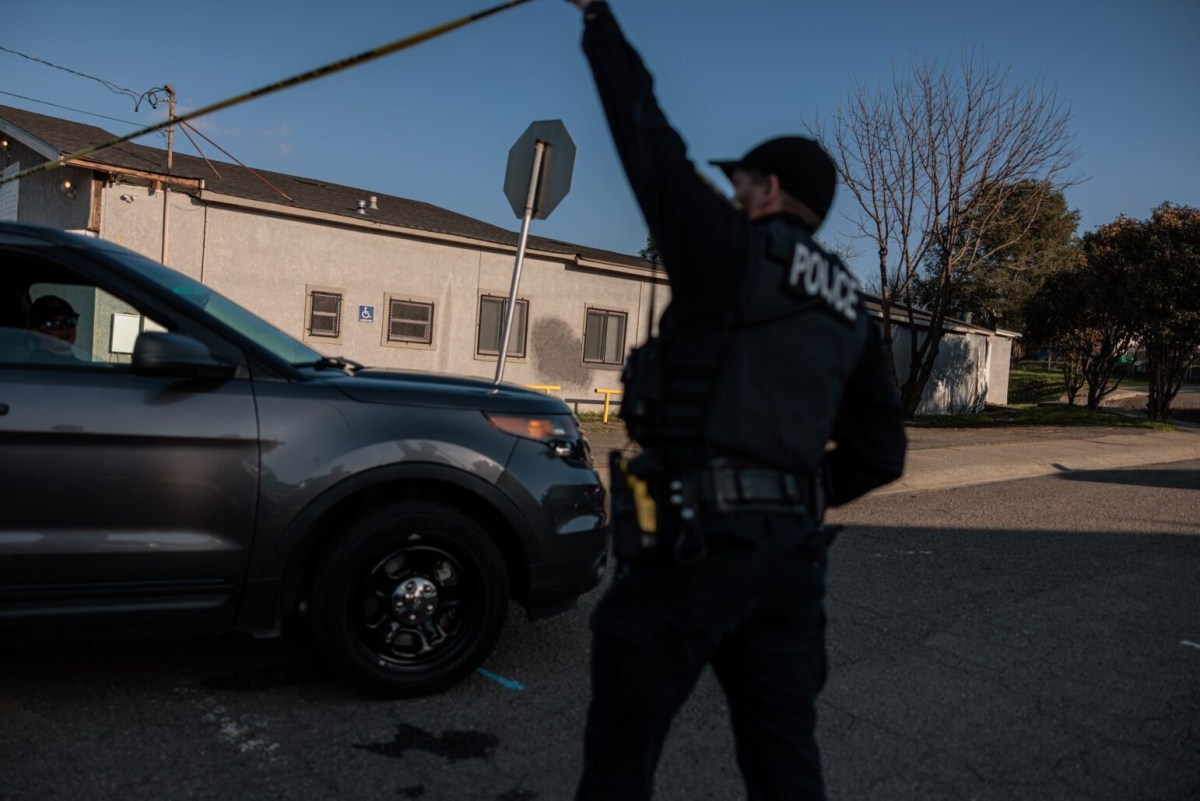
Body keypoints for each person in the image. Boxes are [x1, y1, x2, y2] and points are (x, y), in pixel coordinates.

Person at [564, 3, 907, 799]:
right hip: (790, 565)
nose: (730, 191)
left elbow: (647, 137)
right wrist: (792, 495)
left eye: (739, 181)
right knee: (785, 763)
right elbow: (881, 453)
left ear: (769, 189)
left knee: (621, 759)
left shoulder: (732, 249)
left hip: (693, 550)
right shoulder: (855, 310)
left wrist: (595, 18)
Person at [27, 294, 82, 360]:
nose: (64, 328)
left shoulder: (82, 367)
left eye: (69, 321)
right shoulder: (34, 367)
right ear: (36, 331)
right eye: (53, 323)